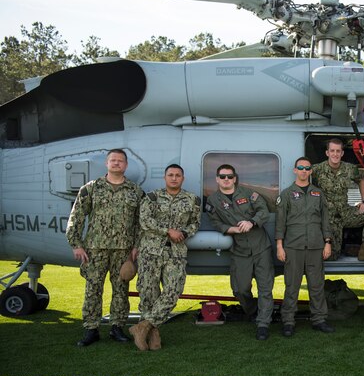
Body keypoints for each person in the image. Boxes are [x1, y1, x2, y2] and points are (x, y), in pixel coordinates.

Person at [66, 148, 144, 347]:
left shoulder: (135, 191)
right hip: (95, 249)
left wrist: (136, 246)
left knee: (121, 289)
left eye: (120, 161)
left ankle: (117, 327)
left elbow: (140, 222)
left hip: (123, 250)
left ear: (126, 165)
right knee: (93, 289)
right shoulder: (91, 188)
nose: (116, 163)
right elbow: (77, 216)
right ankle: (91, 329)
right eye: (113, 160)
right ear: (107, 164)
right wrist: (76, 244)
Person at [129, 164, 201, 351]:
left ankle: (142, 327)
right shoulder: (152, 197)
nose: (174, 178)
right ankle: (153, 334)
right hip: (150, 252)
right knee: (148, 294)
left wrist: (183, 233)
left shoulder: (192, 200)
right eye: (171, 175)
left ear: (182, 178)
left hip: (175, 252)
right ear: (165, 177)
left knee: (173, 291)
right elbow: (144, 221)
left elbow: (195, 224)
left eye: (178, 175)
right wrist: (168, 231)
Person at [205, 164, 275, 341]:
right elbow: (215, 222)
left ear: (235, 178)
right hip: (240, 250)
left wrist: (252, 222)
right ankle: (253, 311)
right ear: (217, 179)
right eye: (222, 176)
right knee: (240, 289)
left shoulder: (248, 194)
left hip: (260, 247)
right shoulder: (213, 200)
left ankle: (263, 324)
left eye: (229, 176)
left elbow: (263, 211)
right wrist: (230, 229)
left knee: (265, 288)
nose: (226, 179)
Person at [275, 157, 335, 336]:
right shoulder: (286, 194)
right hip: (293, 246)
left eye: (307, 168)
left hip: (316, 246)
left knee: (316, 285)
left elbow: (325, 220)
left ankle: (319, 319)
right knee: (292, 286)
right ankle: (288, 321)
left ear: (310, 172)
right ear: (295, 170)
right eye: (300, 168)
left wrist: (327, 243)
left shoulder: (318, 193)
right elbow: (280, 222)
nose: (303, 171)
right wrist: (279, 245)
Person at [312, 138, 364, 261]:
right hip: (328, 217)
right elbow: (304, 177)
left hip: (345, 213)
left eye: (338, 151)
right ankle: (345, 250)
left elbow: (361, 180)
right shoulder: (317, 169)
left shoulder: (350, 169)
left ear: (342, 153)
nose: (335, 154)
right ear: (327, 153)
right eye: (332, 151)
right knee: (333, 256)